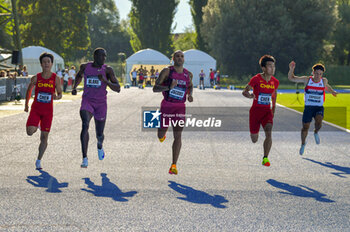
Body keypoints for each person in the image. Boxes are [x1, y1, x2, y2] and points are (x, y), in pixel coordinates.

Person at [72, 48, 121, 168]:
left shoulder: (108, 70)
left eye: (105, 56)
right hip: (87, 101)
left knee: (99, 134)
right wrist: (74, 87)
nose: (104, 58)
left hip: (101, 104)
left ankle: (100, 146)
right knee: (85, 124)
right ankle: (84, 158)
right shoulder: (85, 67)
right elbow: (79, 76)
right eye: (102, 56)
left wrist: (105, 81)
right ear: (95, 56)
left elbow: (118, 88)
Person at [153, 50, 193, 175]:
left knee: (178, 135)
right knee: (160, 135)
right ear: (173, 58)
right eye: (177, 56)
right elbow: (155, 88)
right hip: (167, 105)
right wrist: (169, 87)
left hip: (180, 107)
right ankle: (162, 135)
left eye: (182, 56)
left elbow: (190, 86)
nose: (180, 58)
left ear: (184, 59)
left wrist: (190, 95)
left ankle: (174, 165)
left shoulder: (188, 74)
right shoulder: (167, 71)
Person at [288, 61, 337, 155]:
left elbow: (327, 87)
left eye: (320, 74)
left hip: (318, 107)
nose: (318, 76)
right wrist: (291, 69)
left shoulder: (324, 81)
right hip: (308, 108)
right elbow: (291, 78)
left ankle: (316, 132)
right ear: (313, 73)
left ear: (322, 74)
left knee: (319, 122)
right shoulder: (307, 80)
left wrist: (332, 91)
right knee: (305, 127)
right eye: (316, 73)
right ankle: (303, 143)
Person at [24, 52, 62, 170]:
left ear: (51, 64)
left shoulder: (56, 78)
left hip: (48, 112)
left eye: (48, 62)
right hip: (36, 109)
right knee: (30, 132)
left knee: (44, 138)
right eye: (44, 62)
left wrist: (57, 97)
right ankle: (37, 124)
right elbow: (29, 91)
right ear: (41, 64)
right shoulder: (36, 78)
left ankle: (39, 160)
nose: (46, 64)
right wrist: (26, 105)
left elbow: (60, 93)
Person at [242, 55, 279, 167]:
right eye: (269, 66)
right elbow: (245, 91)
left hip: (267, 112)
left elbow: (274, 94)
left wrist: (273, 109)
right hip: (255, 112)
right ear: (263, 68)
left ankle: (265, 158)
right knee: (254, 139)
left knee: (269, 132)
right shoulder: (256, 79)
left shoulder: (275, 82)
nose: (272, 68)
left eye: (273, 66)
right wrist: (249, 96)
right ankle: (254, 133)